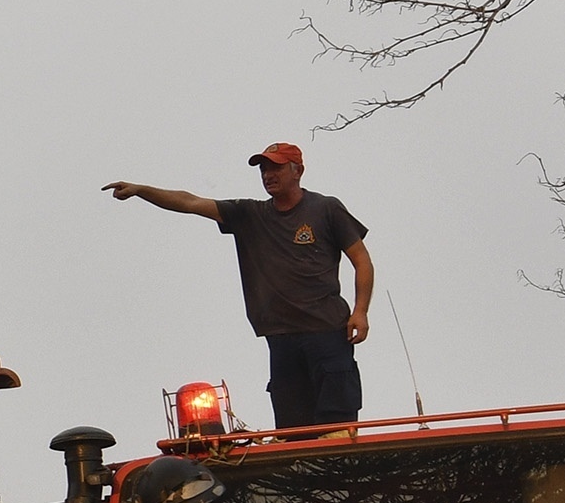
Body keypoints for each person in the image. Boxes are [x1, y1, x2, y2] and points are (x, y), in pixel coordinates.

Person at [104, 142, 375, 430]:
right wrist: (140, 190)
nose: (268, 174)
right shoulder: (251, 214)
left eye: (276, 167)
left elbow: (362, 260)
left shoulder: (325, 208)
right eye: (263, 168)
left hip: (328, 331)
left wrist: (360, 312)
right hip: (281, 337)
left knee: (337, 428)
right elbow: (190, 202)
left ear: (298, 171)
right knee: (293, 432)